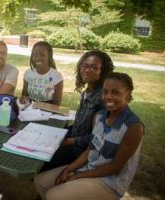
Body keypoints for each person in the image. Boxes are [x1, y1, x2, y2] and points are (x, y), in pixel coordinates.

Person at [35, 72, 144, 200]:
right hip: (88, 168)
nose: (108, 96)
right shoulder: (99, 117)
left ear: (128, 94)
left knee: (53, 196)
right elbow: (90, 150)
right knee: (40, 182)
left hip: (109, 182)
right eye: (105, 92)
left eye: (115, 92)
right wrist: (69, 169)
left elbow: (115, 167)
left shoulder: (133, 127)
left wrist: (78, 176)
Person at [41, 50, 115, 171]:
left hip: (82, 151)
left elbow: (99, 137)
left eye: (94, 67)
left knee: (42, 160)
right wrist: (62, 132)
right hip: (73, 140)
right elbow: (80, 124)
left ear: (103, 72)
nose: (87, 70)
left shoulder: (103, 99)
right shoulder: (87, 92)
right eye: (85, 65)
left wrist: (70, 141)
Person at [20, 41, 63, 106]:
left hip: (48, 113)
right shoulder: (28, 73)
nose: (38, 58)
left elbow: (56, 106)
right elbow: (24, 96)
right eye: (35, 55)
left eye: (42, 55)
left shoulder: (57, 77)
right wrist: (23, 99)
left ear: (49, 57)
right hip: (29, 112)